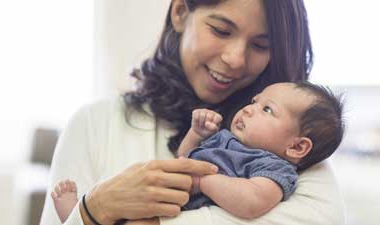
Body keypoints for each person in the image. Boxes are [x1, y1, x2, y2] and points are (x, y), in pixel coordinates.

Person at [40, 1, 345, 225]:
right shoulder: (95, 123)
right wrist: (93, 208)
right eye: (221, 30)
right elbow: (185, 163)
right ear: (180, 13)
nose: (235, 59)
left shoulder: (289, 145)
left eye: (260, 45)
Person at [50, 82, 344, 222]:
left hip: (177, 211)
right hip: (166, 196)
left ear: (296, 146)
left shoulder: (274, 169)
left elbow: (252, 202)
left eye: (267, 109)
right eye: (255, 101)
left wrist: (203, 180)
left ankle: (80, 216)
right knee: (124, 203)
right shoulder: (225, 138)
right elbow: (184, 158)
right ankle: (78, 213)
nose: (251, 109)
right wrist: (196, 135)